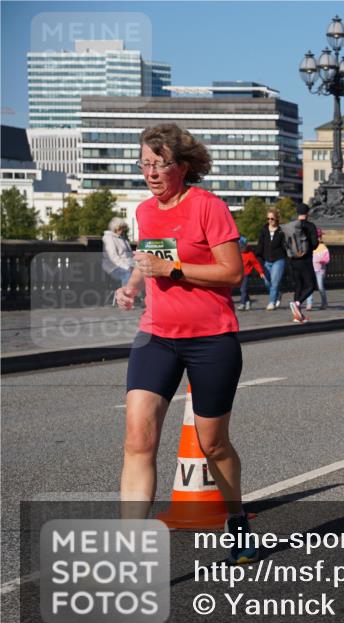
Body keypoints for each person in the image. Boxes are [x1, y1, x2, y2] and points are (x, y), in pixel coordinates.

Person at [115, 123, 256, 565]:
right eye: (144, 164)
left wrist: (172, 270)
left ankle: (237, 520)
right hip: (156, 335)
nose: (151, 173)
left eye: (160, 164)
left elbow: (232, 272)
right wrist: (134, 284)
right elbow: (149, 258)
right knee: (138, 437)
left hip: (211, 338)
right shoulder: (144, 211)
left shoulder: (208, 207)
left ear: (183, 165)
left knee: (213, 444)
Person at [284, 203, 319, 323]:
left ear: (297, 213)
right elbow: (314, 244)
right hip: (305, 260)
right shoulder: (310, 226)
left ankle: (297, 316)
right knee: (311, 285)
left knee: (298, 287)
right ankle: (297, 303)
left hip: (293, 260)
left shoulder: (291, 226)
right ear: (307, 213)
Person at [255, 208, 286, 310]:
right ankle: (277, 294)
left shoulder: (281, 231)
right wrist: (259, 262)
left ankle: (271, 302)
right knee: (267, 282)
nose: (270, 221)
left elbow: (285, 247)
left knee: (275, 282)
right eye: (268, 219)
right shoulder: (263, 231)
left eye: (272, 218)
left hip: (279, 259)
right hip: (266, 261)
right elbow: (259, 248)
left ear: (276, 219)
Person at [237, 236, 265, 311]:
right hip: (239, 274)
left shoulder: (249, 254)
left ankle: (242, 304)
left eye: (243, 247)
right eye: (240, 247)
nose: (242, 249)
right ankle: (248, 301)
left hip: (246, 274)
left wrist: (261, 272)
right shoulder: (236, 254)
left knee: (243, 289)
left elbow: (256, 263)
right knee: (243, 289)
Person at [307, 226, 329, 311]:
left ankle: (324, 302)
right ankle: (309, 303)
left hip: (320, 271)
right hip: (311, 269)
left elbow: (327, 258)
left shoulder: (323, 247)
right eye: (316, 237)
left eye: (319, 237)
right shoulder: (310, 246)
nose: (318, 238)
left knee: (320, 287)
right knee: (309, 287)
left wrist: (321, 260)